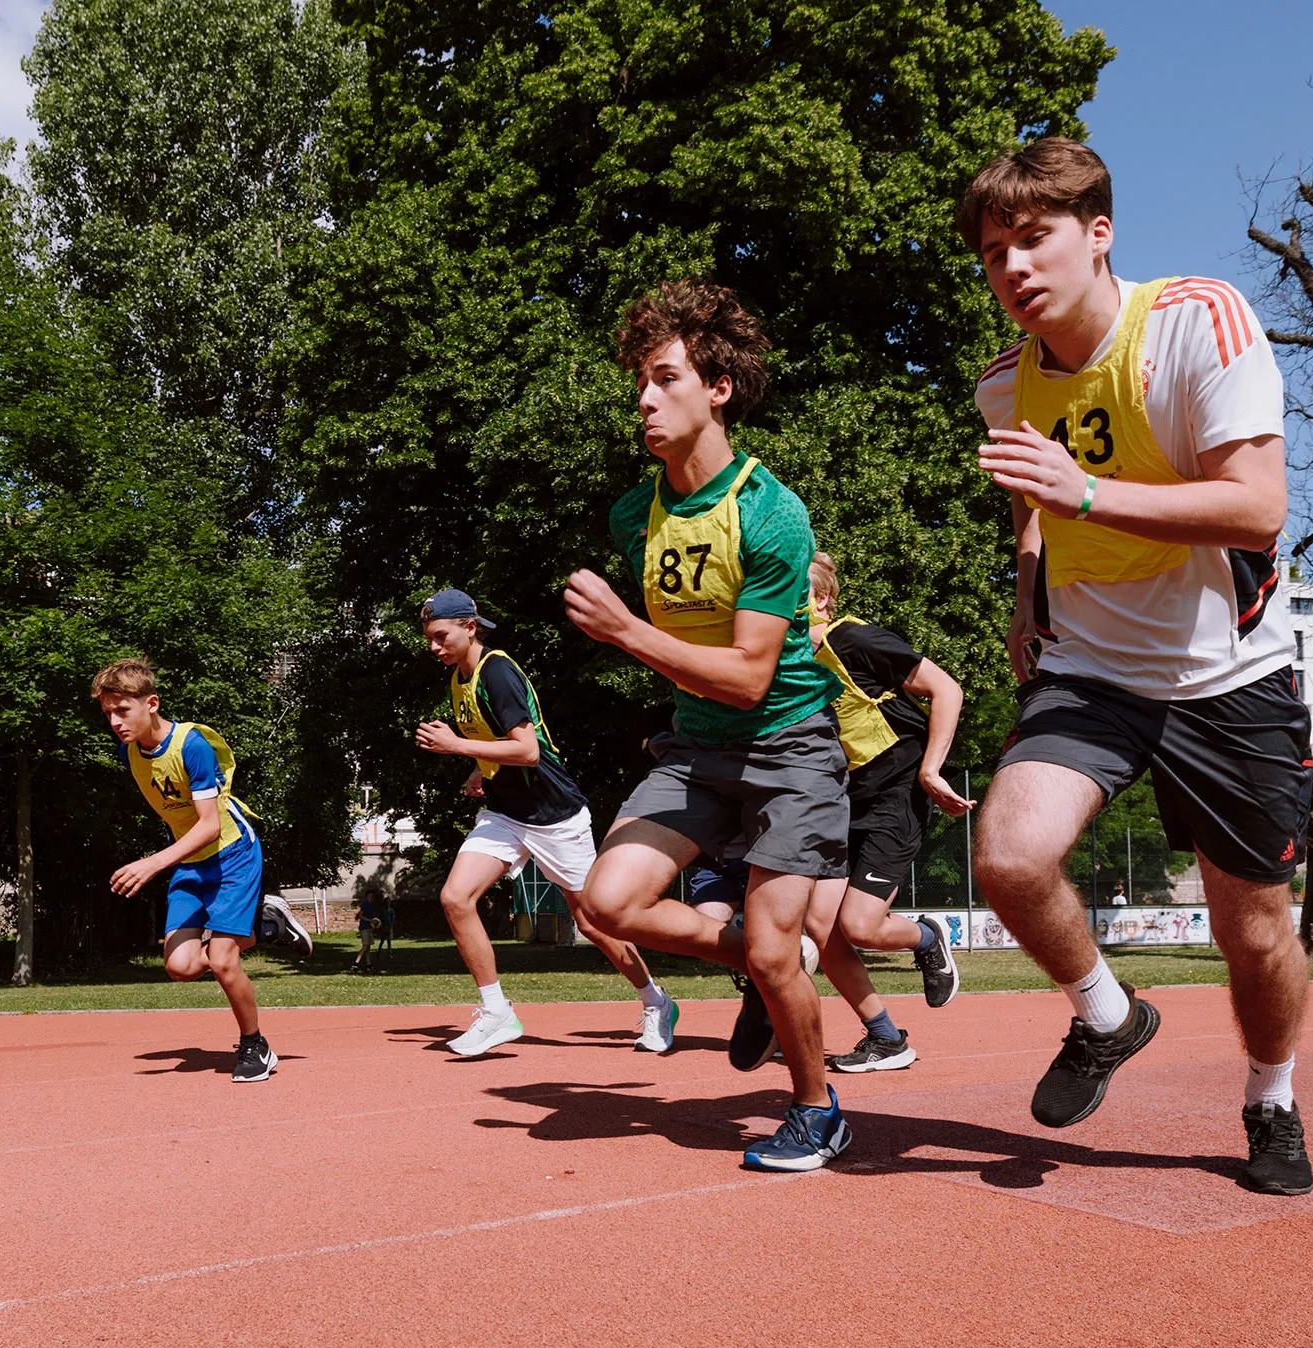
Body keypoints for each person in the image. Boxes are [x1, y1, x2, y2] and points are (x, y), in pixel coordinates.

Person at [963, 138, 1313, 1195]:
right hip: (1093, 670)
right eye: (993, 252)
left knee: (1253, 932)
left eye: (1035, 238)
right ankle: (1107, 1015)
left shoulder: (1198, 321)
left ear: (1099, 232)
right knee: (1009, 857)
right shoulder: (1003, 385)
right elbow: (1034, 503)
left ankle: (1271, 1097)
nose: (1014, 267)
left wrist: (1083, 493)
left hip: (1228, 675)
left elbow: (1257, 507)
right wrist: (1028, 595)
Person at [564, 281, 854, 1173]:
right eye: (639, 384)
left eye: (665, 379)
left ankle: (816, 1108)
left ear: (718, 388)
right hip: (696, 751)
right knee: (606, 904)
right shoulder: (635, 516)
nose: (644, 401)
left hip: (791, 748)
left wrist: (626, 631)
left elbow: (748, 675)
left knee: (773, 947)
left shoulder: (772, 513)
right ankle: (767, 966)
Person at [413, 588, 678, 1056]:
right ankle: (496, 1011)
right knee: (456, 897)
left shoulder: (497, 672)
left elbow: (528, 751)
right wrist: (478, 767)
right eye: (429, 638)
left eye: (441, 636)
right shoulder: (460, 678)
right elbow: (495, 739)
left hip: (554, 815)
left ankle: (656, 1001)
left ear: (469, 627)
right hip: (505, 812)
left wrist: (457, 747)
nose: (434, 646)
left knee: (594, 923)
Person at [794, 551, 970, 1075]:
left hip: (896, 792)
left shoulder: (855, 640)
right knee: (820, 926)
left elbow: (947, 688)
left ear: (821, 598)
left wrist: (931, 770)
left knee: (860, 926)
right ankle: (886, 1038)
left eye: (790, 588)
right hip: (840, 798)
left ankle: (928, 937)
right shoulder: (783, 660)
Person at [92, 659, 278, 1081]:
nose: (115, 722)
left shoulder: (191, 745)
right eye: (108, 713)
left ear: (152, 703)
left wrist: (154, 862)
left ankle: (255, 1045)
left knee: (223, 960)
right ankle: (266, 926)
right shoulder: (129, 752)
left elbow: (210, 824)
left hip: (232, 853)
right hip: (191, 861)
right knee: (181, 966)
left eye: (123, 710)